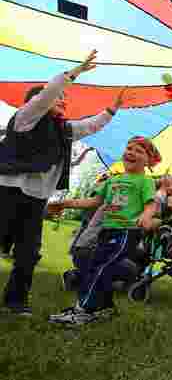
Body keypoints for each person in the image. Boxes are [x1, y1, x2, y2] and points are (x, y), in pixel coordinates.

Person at [0, 50, 124, 316]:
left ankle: (14, 302)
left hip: (34, 199)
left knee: (29, 253)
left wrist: (112, 109)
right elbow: (49, 92)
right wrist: (76, 72)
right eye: (60, 98)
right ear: (37, 102)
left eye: (63, 98)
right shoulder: (25, 118)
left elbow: (90, 126)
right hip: (8, 191)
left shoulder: (63, 130)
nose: (63, 100)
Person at [47, 136, 161, 325]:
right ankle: (105, 307)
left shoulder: (145, 181)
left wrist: (146, 216)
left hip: (126, 232)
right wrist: (67, 203)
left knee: (101, 268)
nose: (131, 152)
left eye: (139, 151)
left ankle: (83, 310)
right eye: (129, 148)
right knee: (95, 268)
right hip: (106, 231)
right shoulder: (113, 180)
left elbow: (151, 204)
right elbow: (94, 202)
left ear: (149, 160)